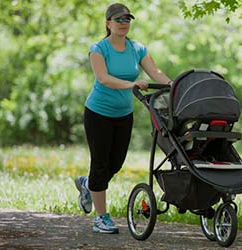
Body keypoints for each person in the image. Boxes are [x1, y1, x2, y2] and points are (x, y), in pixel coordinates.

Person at [75, 3, 172, 234]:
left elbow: (155, 72)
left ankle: (89, 185)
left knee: (115, 163)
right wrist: (131, 84)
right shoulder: (99, 49)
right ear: (108, 23)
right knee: (99, 164)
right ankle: (101, 218)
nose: (123, 23)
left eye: (127, 19)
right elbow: (104, 78)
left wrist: (175, 87)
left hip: (123, 114)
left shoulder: (137, 48)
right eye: (118, 19)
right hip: (97, 114)